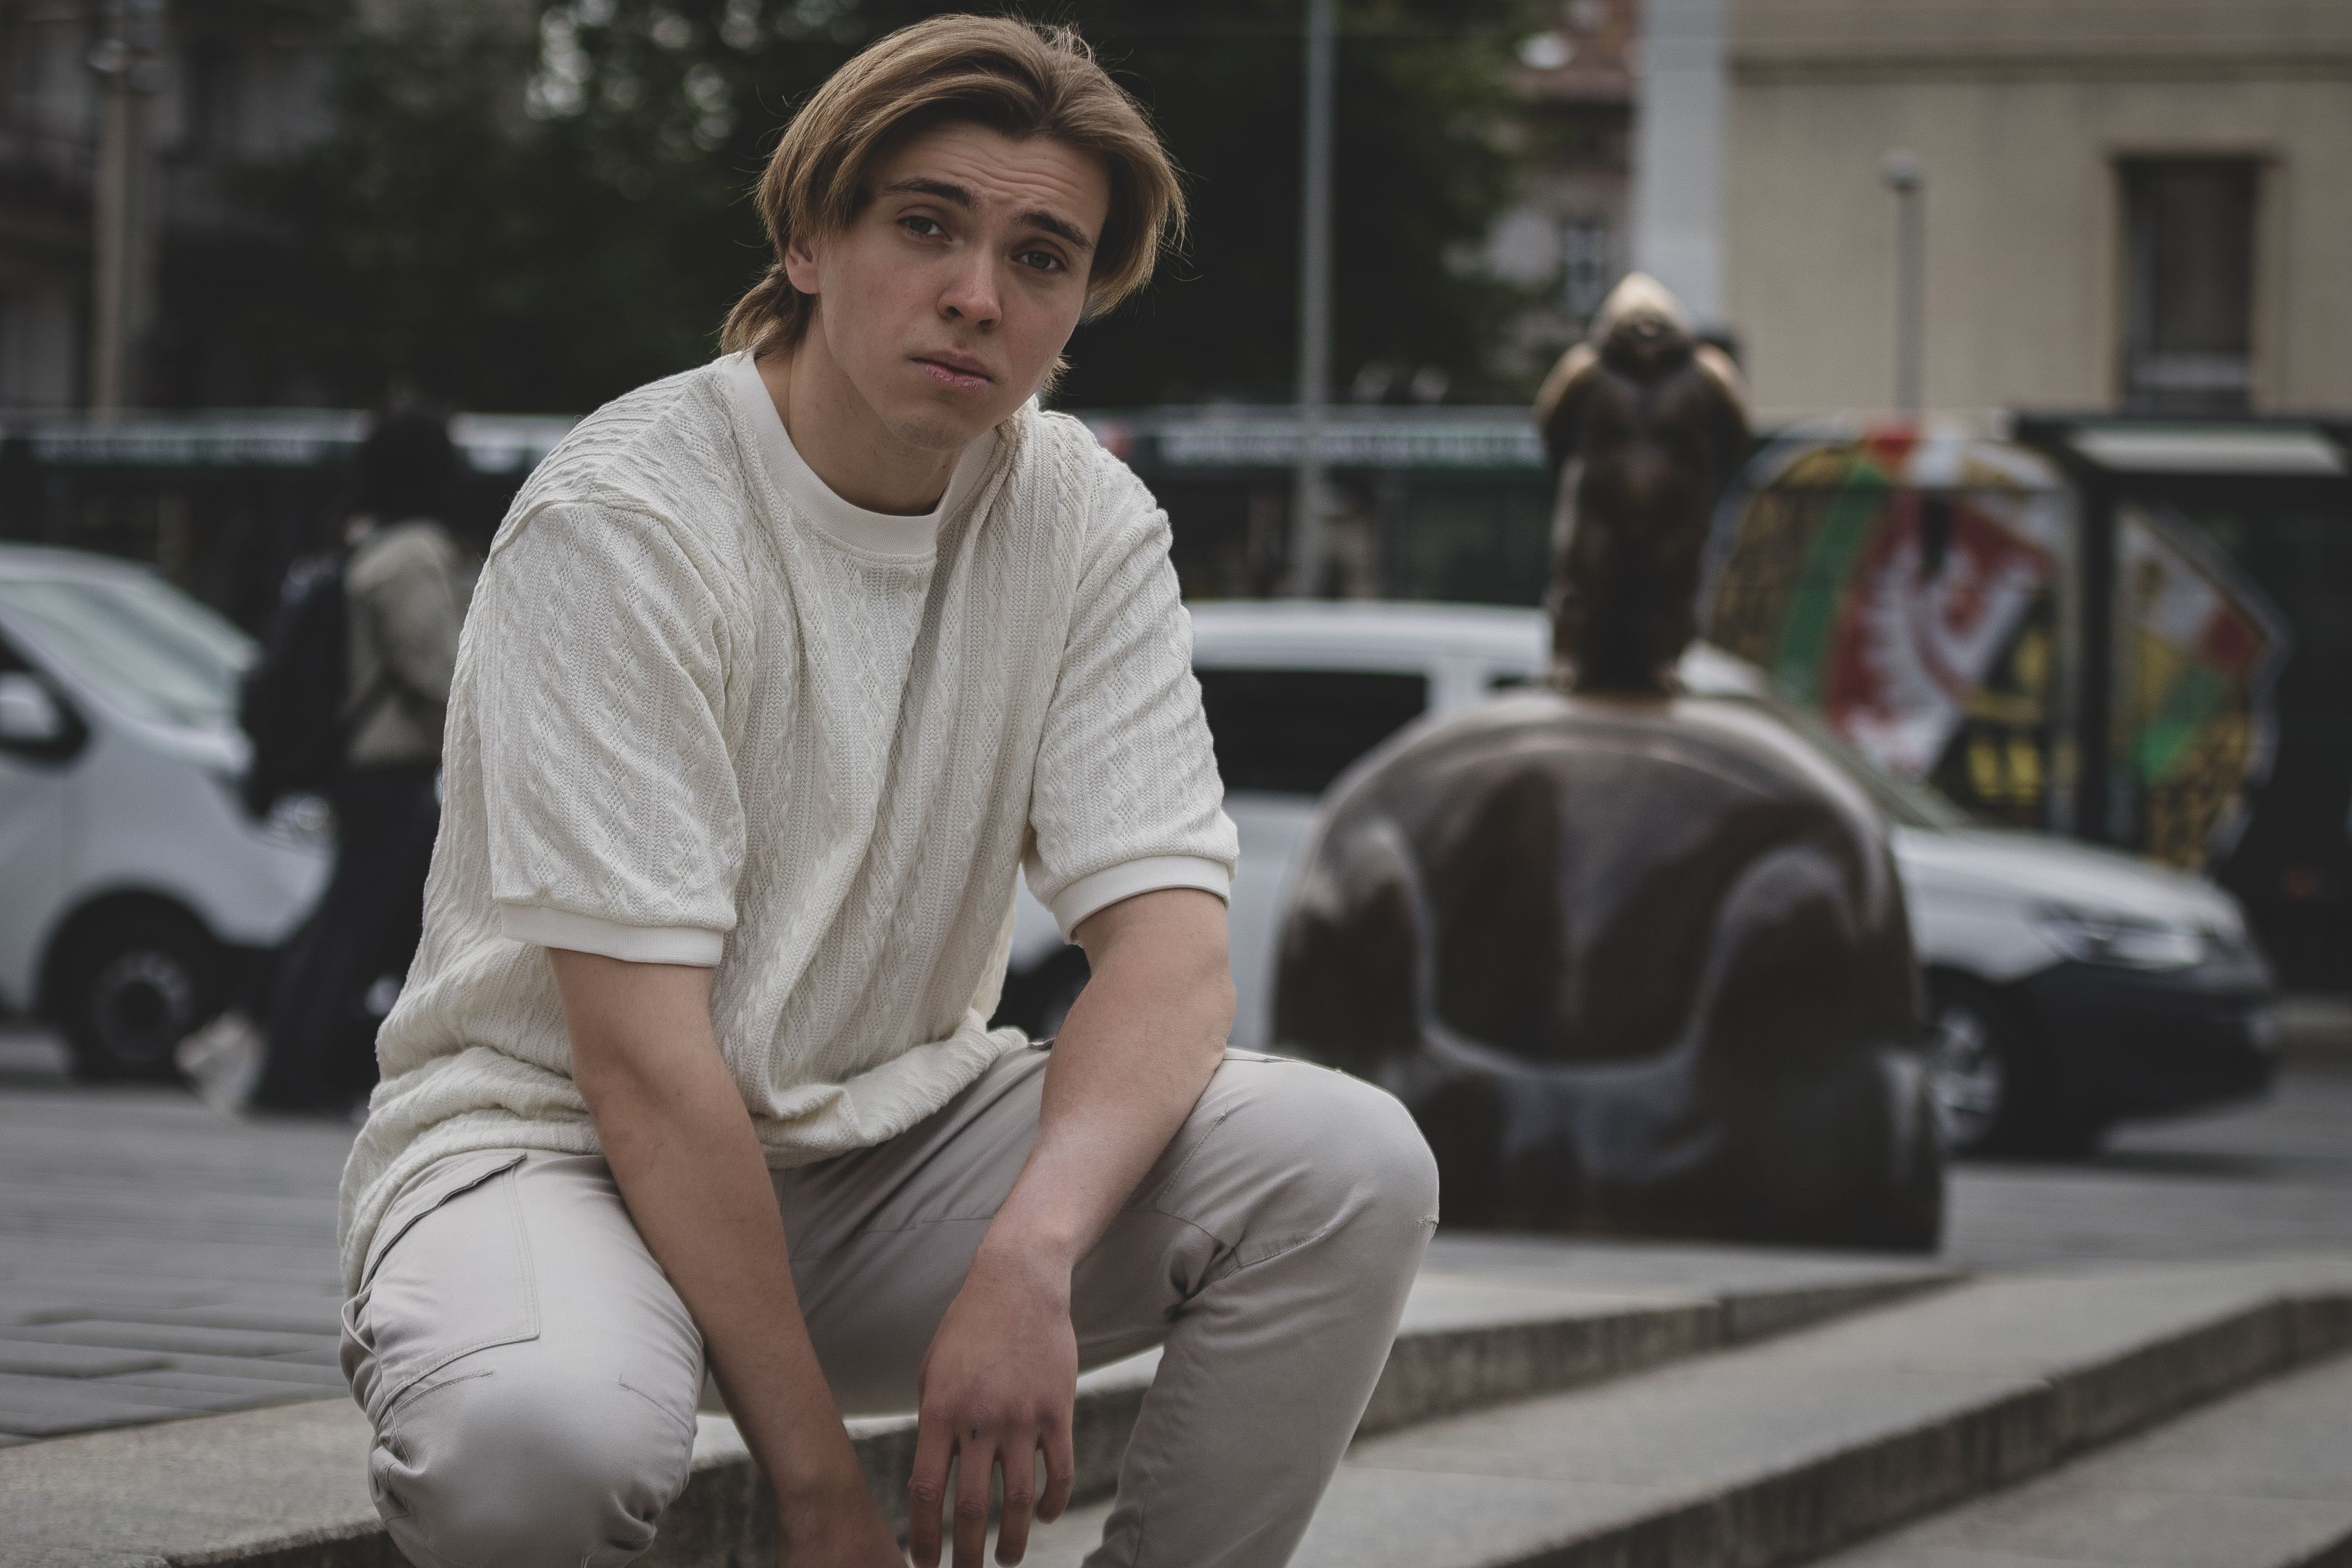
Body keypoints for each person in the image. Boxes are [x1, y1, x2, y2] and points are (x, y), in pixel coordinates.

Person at [335, 17, 1440, 1568]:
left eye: (1042, 258)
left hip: (881, 1163)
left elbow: (1174, 953)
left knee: (1350, 1166)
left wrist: (1034, 1252)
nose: (980, 295)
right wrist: (820, 1495)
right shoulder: (624, 519)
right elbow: (641, 1062)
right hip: (555, 1153)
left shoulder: (1079, 516)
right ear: (808, 239)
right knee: (533, 1454)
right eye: (927, 226)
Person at [250, 410, 473, 1114]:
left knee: (388, 923)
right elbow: (437, 669)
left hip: (367, 771)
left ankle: (355, 1062)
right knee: (355, 927)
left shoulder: (364, 542)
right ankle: (291, 1071)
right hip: (386, 772)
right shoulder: (411, 555)